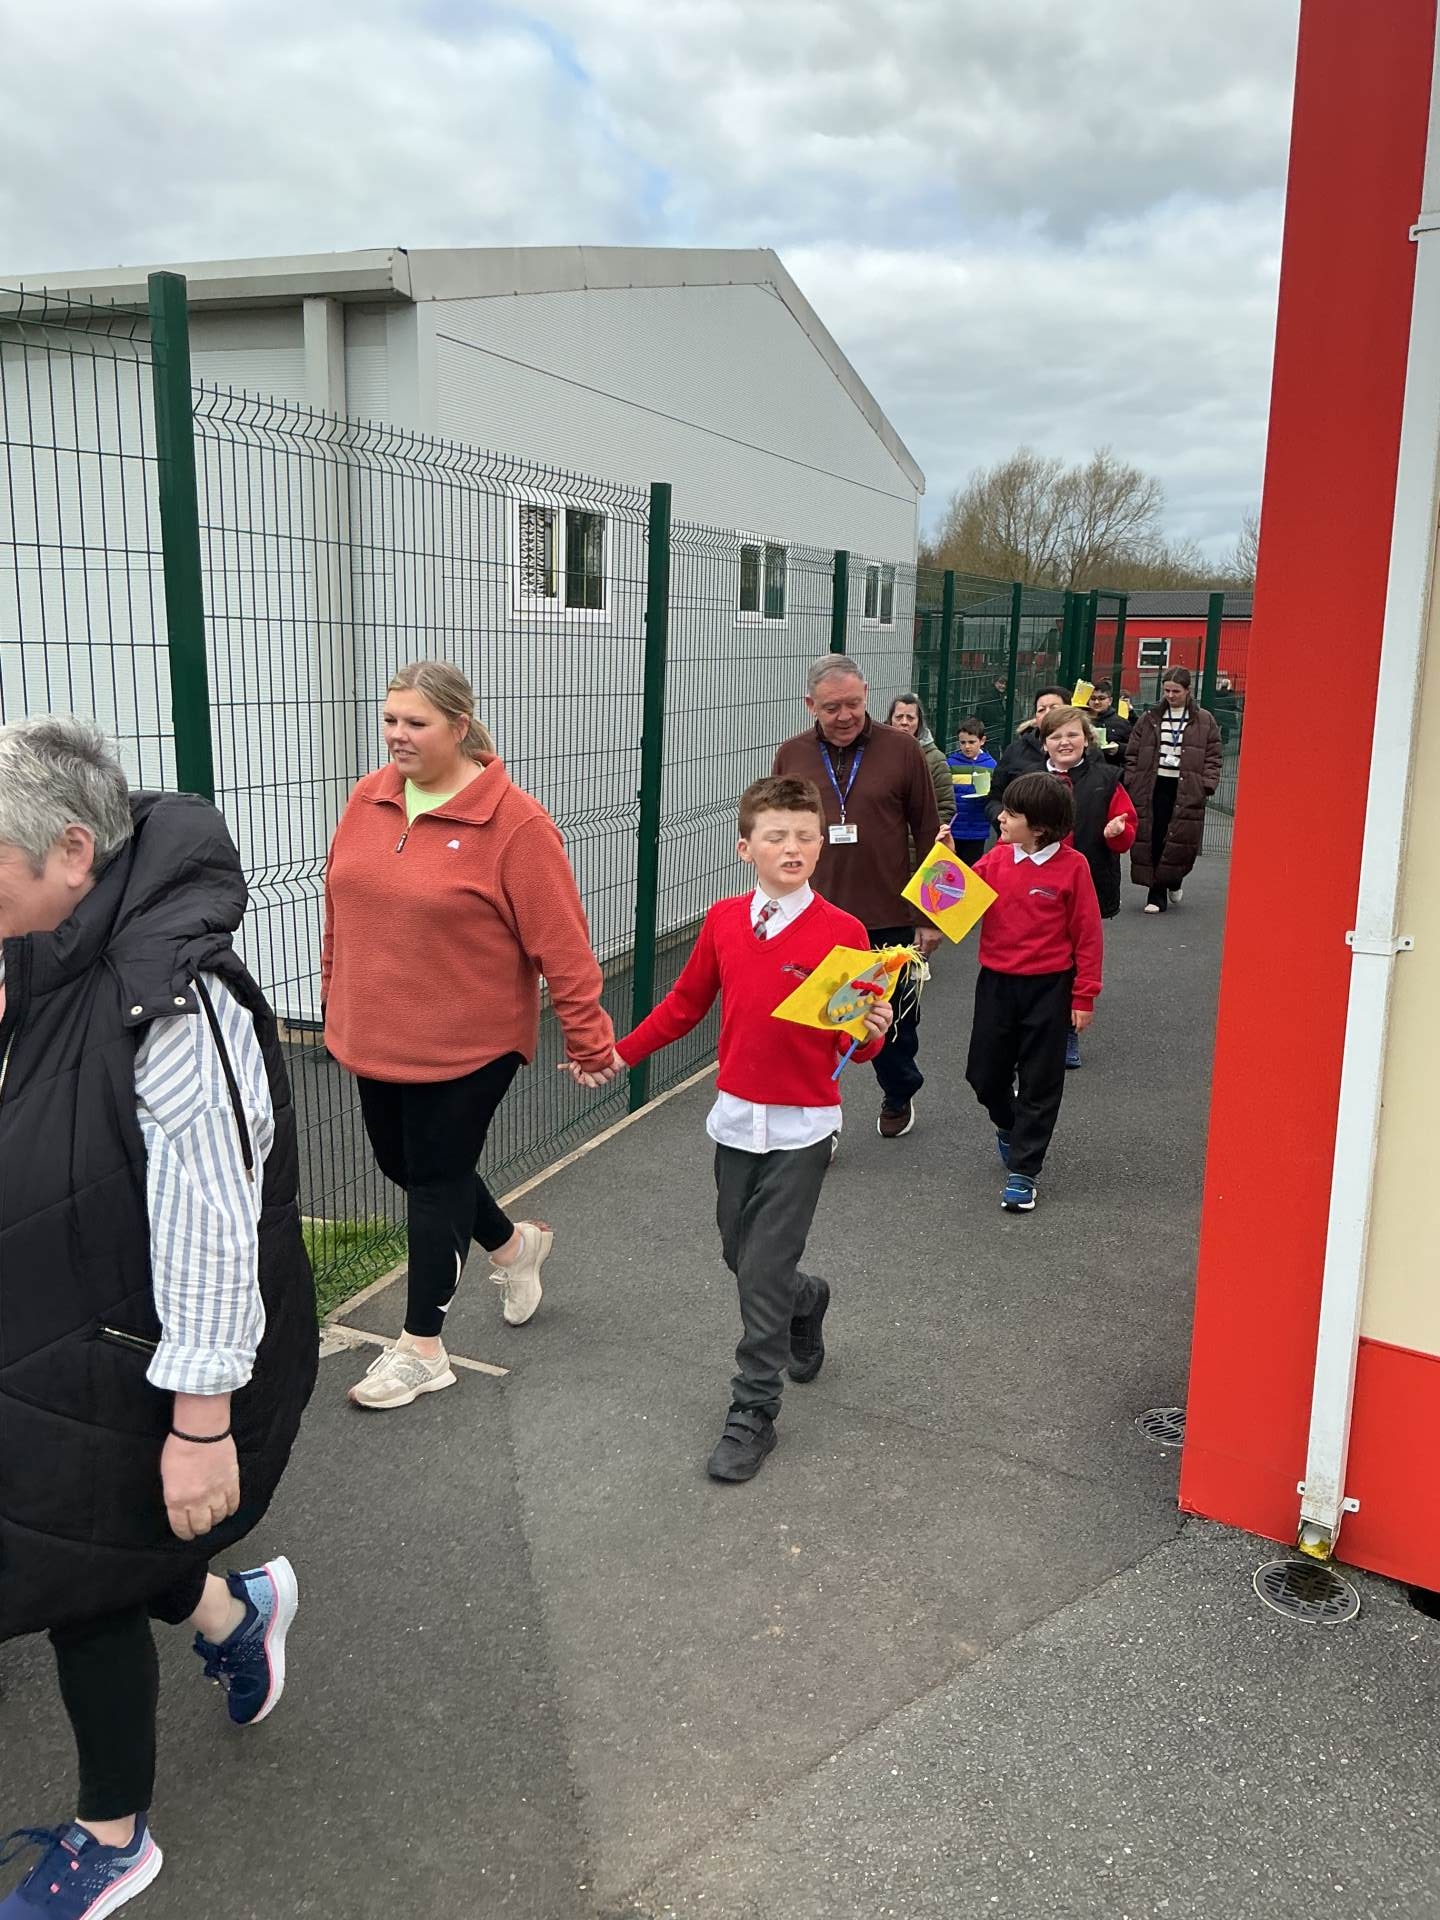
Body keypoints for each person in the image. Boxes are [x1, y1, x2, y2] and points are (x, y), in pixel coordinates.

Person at [0, 715, 316, 1918]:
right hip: (51, 1319)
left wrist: (200, 1424)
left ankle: (112, 1838)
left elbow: (213, 1222)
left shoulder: (170, 1001)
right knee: (98, 1546)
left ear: (72, 853)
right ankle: (235, 1615)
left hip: (134, 1347)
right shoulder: (46, 949)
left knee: (77, 1581)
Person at [564, 777, 893, 1484]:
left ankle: (753, 1411)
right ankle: (807, 1299)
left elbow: (856, 1046)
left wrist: (872, 1030)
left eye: (805, 836)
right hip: (737, 1121)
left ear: (820, 846)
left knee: (762, 1270)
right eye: (776, 836)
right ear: (746, 847)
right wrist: (618, 1055)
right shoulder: (720, 921)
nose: (792, 848)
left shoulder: (844, 932)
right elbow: (684, 1006)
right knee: (739, 1255)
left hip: (805, 1128)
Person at [322, 660, 616, 1410]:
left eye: (415, 723)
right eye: (390, 720)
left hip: (469, 1043)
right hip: (376, 1030)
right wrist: (334, 993)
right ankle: (515, 1247)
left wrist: (587, 1036)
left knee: (435, 1179)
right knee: (404, 1163)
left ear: (459, 725)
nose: (397, 735)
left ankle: (422, 1348)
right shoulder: (369, 796)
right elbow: (341, 907)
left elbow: (562, 943)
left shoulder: (514, 823)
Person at [772, 657, 941, 1141]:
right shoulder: (792, 756)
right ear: (810, 705)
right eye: (831, 708)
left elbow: (929, 832)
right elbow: (777, 833)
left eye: (853, 703)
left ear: (866, 693)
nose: (844, 716)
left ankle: (899, 1091)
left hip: (889, 914)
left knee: (893, 1022)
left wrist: (930, 917)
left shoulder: (903, 750)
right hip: (815, 916)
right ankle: (818, 1121)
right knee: (817, 1023)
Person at [965, 771, 1103, 1213]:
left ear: (1039, 827)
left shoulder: (1073, 867)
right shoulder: (995, 859)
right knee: (983, 1075)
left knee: (1041, 1081)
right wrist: (944, 862)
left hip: (1050, 987)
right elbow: (957, 900)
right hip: (996, 984)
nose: (1001, 818)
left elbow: (1088, 935)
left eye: (1011, 814)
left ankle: (1024, 1170)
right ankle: (1010, 1124)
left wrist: (1083, 996)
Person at [1037, 706, 1137, 1068]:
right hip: (1036, 889)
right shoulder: (1031, 779)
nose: (1064, 742)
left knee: (1075, 959)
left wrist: (1117, 832)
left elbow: (1127, 829)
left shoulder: (1106, 779)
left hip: (1087, 884)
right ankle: (1032, 1031)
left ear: (1087, 739)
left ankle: (1067, 1031)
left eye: (1072, 735)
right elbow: (1008, 823)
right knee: (1037, 958)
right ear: (1044, 743)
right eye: (1056, 736)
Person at [1123, 666, 1223, 914]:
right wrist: (1132, 779)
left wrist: (1206, 784)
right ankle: (1156, 893)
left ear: (1188, 690)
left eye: (1175, 691)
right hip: (1154, 785)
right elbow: (1133, 752)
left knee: (1180, 838)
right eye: (1166, 690)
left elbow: (1213, 755)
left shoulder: (1205, 720)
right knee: (1154, 835)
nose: (1170, 695)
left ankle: (1174, 879)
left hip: (1187, 787)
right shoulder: (1149, 718)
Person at [984, 685, 1070, 829]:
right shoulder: (1015, 751)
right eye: (1041, 710)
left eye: (1054, 708)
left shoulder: (1087, 753)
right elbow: (994, 798)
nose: (1048, 713)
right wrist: (1005, 820)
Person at [886, 693, 955, 849]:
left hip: (917, 848)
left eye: (910, 718)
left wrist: (925, 834)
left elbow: (946, 806)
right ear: (890, 720)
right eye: (899, 717)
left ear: (919, 722)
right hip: (883, 846)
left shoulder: (935, 760)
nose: (904, 722)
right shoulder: (877, 754)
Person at [946, 717, 998, 866]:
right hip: (955, 827)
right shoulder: (951, 763)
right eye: (962, 742)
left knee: (972, 867)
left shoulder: (991, 765)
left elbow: (995, 793)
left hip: (978, 828)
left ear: (982, 741)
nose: (967, 747)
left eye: (971, 742)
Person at [1085, 681, 1134, 766]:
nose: (1096, 702)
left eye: (1101, 698)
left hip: (1111, 768)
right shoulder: (1081, 721)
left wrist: (1119, 749)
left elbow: (1134, 749)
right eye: (1093, 698)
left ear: (1110, 700)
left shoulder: (1122, 723)